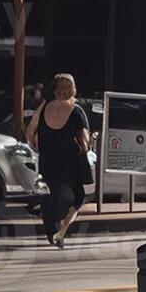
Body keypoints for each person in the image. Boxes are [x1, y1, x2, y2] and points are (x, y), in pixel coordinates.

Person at [27, 73, 91, 247]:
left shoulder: (43, 107)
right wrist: (85, 148)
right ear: (72, 89)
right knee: (78, 196)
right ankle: (61, 230)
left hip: (47, 159)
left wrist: (37, 147)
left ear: (55, 90)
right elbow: (85, 140)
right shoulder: (76, 110)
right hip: (69, 161)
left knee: (52, 191)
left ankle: (50, 222)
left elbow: (30, 132)